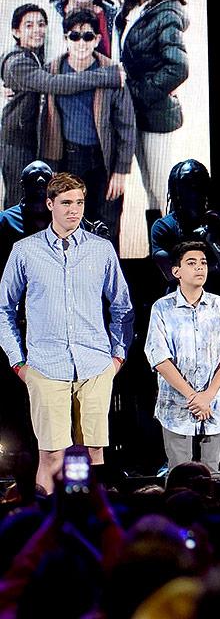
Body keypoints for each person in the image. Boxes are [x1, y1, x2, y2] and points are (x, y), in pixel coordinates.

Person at [0, 172, 133, 493]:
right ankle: (49, 529)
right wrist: (19, 364)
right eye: (66, 203)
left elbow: (122, 308)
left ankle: (93, 526)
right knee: (52, 455)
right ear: (50, 204)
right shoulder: (25, 251)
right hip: (45, 368)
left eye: (80, 202)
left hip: (94, 366)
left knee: (93, 453)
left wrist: (116, 358)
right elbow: (4, 309)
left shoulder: (101, 250)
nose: (74, 210)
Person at [1, 3, 122, 208]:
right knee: (18, 206)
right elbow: (55, 84)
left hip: (30, 140)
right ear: (15, 31)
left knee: (34, 204)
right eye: (29, 25)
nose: (37, 30)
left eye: (41, 24)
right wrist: (106, 75)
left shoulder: (33, 55)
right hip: (17, 143)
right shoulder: (19, 61)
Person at [39, 8, 135, 250]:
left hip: (104, 160)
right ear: (65, 38)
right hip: (67, 160)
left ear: (98, 40)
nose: (81, 42)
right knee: (70, 226)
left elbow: (126, 124)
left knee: (107, 226)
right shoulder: (51, 71)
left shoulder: (112, 72)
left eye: (88, 36)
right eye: (74, 36)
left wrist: (121, 171)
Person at [145, 240, 220, 474]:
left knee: (212, 473)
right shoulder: (162, 308)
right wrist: (193, 397)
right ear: (176, 271)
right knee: (179, 473)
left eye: (203, 263)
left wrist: (207, 396)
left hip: (213, 404)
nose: (199, 268)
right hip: (176, 405)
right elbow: (159, 358)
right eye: (192, 263)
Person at [114, 0, 189, 225]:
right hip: (137, 112)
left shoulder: (166, 14)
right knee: (150, 190)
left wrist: (138, 94)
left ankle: (173, 250)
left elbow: (178, 68)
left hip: (157, 115)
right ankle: (156, 249)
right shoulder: (133, 12)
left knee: (161, 189)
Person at [151, 159, 220, 298]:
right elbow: (171, 274)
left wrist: (211, 240)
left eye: (199, 182)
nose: (194, 189)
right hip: (181, 302)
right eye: (188, 184)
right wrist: (214, 266)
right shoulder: (164, 227)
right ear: (176, 188)